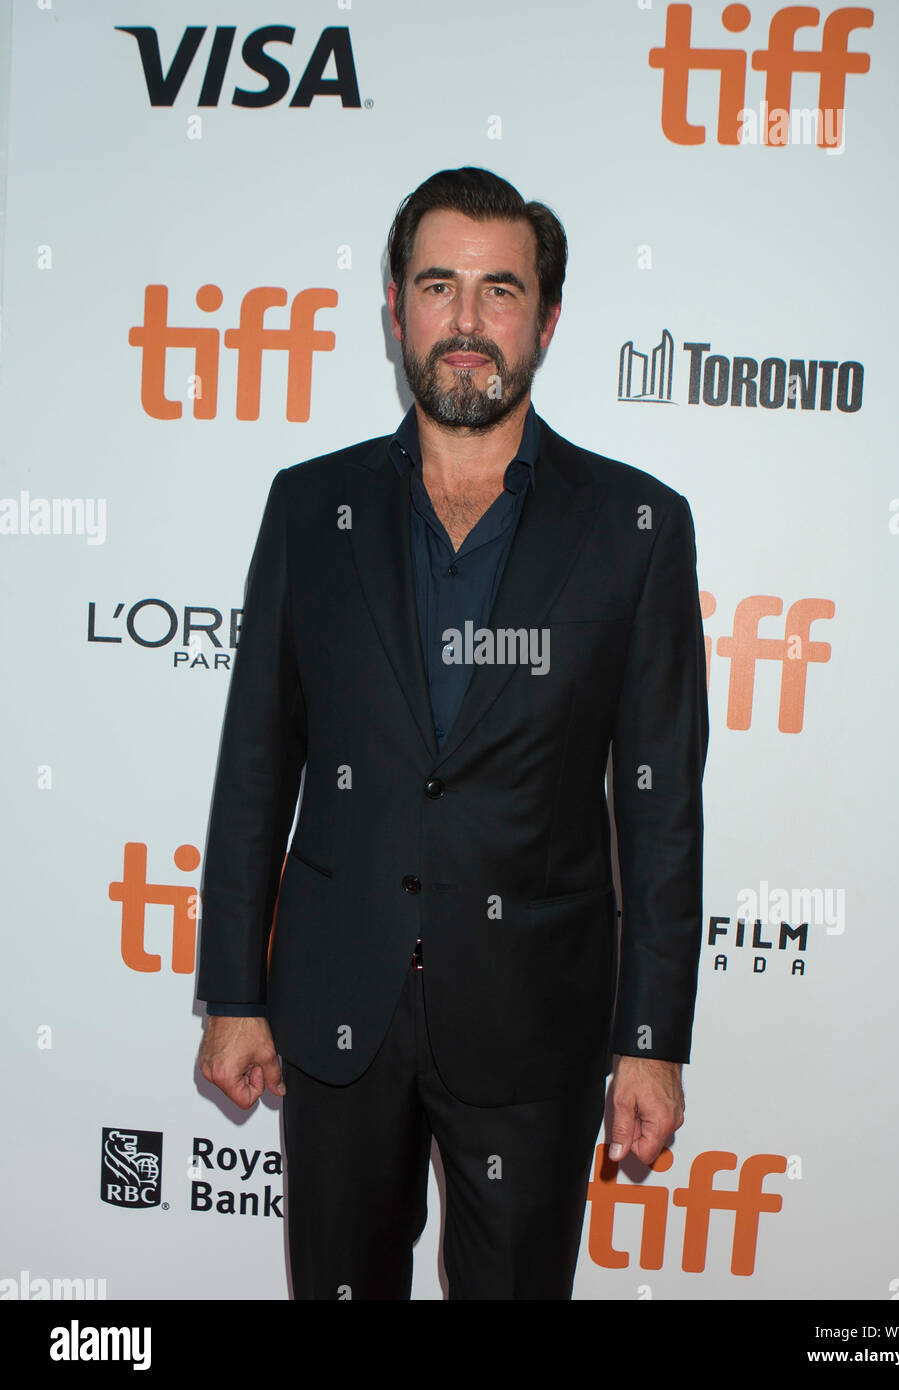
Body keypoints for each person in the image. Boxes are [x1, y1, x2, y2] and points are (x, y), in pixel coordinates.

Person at [195, 166, 708, 1300]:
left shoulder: (634, 527)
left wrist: (651, 1035)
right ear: (394, 307)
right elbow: (254, 764)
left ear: (548, 317)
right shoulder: (307, 508)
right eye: (438, 286)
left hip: (534, 1019)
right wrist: (235, 992)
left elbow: (661, 806)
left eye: (499, 291)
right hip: (339, 1007)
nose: (466, 323)